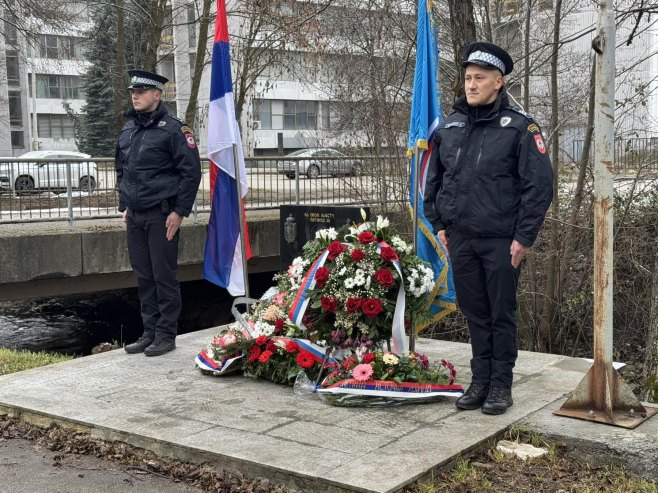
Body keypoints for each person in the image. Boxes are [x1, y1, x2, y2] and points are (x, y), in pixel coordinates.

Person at [424, 42, 553, 414]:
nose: (471, 84)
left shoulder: (519, 128)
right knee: (474, 311)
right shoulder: (451, 126)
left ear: (499, 82)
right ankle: (479, 381)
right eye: (467, 78)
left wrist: (524, 237)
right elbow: (435, 180)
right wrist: (439, 224)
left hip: (501, 241)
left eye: (479, 78)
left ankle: (500, 386)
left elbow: (539, 185)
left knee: (500, 313)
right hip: (461, 239)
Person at [116, 69, 201, 357]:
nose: (135, 96)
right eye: (132, 92)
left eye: (141, 92)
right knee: (144, 276)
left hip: (162, 214)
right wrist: (125, 205)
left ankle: (166, 334)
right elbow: (123, 170)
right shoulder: (129, 129)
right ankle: (149, 332)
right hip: (136, 216)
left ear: (157, 94)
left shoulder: (175, 129)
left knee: (163, 275)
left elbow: (191, 173)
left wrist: (180, 211)